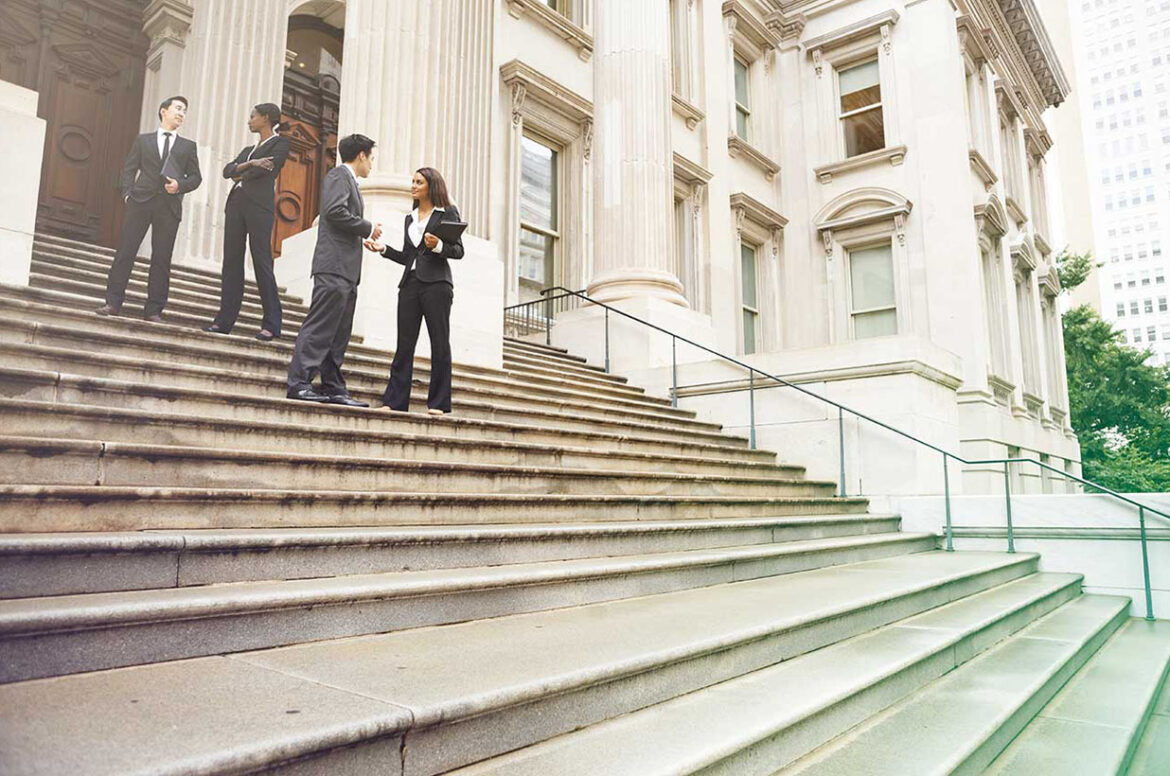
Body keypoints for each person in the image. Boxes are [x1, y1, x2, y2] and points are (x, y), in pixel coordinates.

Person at [285, 133, 382, 406]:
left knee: (339, 333)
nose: (372, 165)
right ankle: (299, 383)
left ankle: (333, 386)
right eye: (371, 158)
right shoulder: (340, 176)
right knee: (320, 327)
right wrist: (368, 227)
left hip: (347, 270)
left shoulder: (350, 181)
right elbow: (335, 212)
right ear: (361, 155)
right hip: (334, 267)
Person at [364, 167, 464, 416]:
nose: (413, 185)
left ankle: (439, 404)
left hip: (437, 285)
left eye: (419, 182)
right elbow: (408, 256)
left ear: (431, 185)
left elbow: (458, 250)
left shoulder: (447, 212)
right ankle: (395, 401)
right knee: (404, 343)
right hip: (410, 283)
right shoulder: (410, 217)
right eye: (413, 181)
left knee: (439, 342)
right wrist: (383, 248)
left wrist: (439, 245)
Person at [96, 96, 202, 322]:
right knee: (126, 251)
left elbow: (196, 177)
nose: (182, 113)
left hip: (169, 206)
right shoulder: (143, 140)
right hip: (140, 202)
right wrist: (127, 194)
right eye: (178, 108)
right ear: (164, 111)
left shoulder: (187, 146)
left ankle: (154, 310)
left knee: (162, 258)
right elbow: (129, 168)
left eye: (185, 111)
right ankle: (112, 303)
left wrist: (179, 186)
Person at [205, 102, 290, 341]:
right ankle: (223, 321)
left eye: (253, 116)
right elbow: (227, 171)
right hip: (236, 204)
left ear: (266, 118)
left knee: (262, 260)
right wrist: (251, 163)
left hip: (259, 207)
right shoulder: (248, 150)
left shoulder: (281, 143)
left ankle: (272, 324)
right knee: (231, 262)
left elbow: (269, 170)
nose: (249, 120)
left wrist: (241, 171)